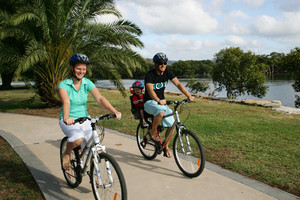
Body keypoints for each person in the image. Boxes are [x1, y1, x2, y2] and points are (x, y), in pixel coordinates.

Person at [58, 53, 121, 170]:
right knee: (78, 138)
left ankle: (94, 175)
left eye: (84, 69)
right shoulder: (63, 85)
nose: (81, 71)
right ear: (71, 68)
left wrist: (114, 111)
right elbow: (66, 102)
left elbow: (100, 98)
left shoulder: (87, 82)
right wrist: (66, 118)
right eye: (78, 68)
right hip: (69, 120)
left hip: (84, 119)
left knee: (97, 148)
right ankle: (67, 153)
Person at [143, 52, 195, 158]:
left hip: (161, 103)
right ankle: (153, 132)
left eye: (165, 63)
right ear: (155, 64)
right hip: (149, 102)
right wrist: (158, 100)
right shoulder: (150, 75)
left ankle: (165, 146)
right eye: (160, 63)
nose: (163, 65)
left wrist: (188, 95)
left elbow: (178, 84)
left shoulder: (168, 72)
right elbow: (150, 90)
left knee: (173, 124)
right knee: (160, 111)